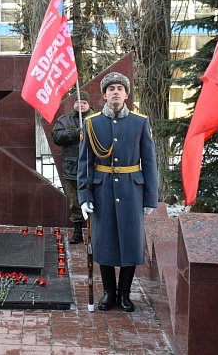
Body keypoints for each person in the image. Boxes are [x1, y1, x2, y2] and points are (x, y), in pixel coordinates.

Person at [76, 71, 158, 312]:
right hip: (102, 192)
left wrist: (150, 197)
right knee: (105, 242)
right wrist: (84, 196)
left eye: (119, 89)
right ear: (104, 95)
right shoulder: (91, 123)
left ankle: (125, 293)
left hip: (132, 191)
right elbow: (85, 164)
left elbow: (149, 161)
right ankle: (109, 293)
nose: (115, 92)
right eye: (110, 89)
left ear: (126, 94)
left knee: (131, 243)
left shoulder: (140, 122)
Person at [52, 91, 91, 244]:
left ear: (89, 104)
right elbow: (56, 137)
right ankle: (77, 232)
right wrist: (74, 133)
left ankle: (94, 233)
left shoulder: (97, 119)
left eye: (84, 103)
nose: (81, 105)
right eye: (78, 102)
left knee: (94, 202)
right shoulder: (65, 120)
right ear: (74, 104)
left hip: (92, 169)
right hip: (72, 169)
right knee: (75, 202)